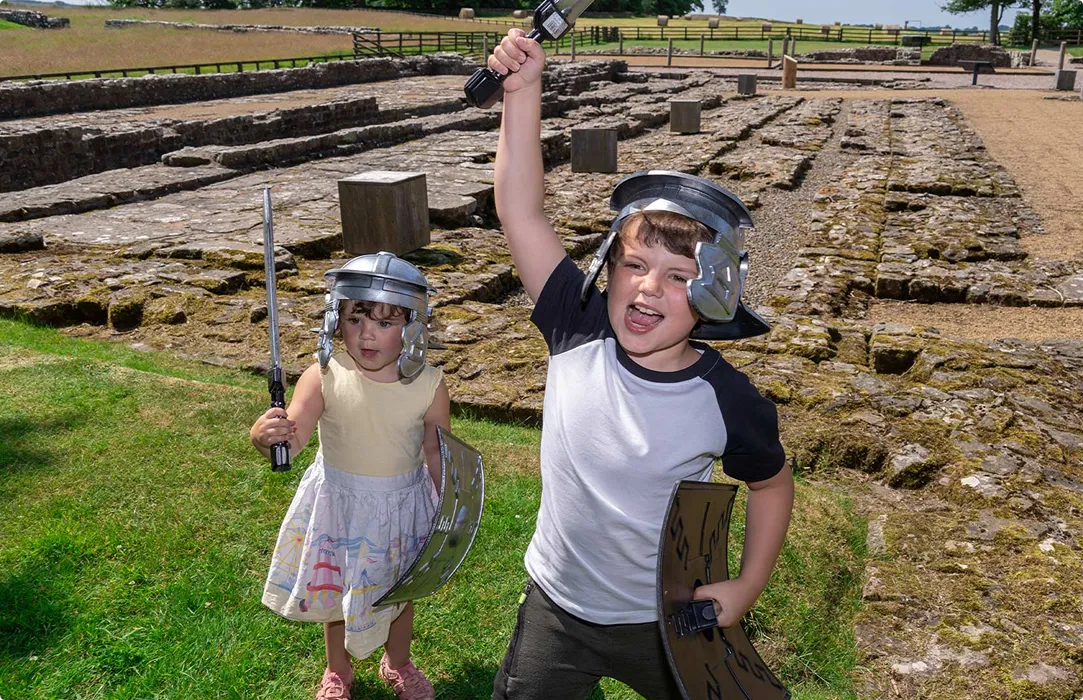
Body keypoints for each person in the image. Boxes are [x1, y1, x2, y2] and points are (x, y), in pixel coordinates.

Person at [486, 28, 796, 699]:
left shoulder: (726, 398)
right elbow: (518, 209)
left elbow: (771, 484)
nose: (648, 288)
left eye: (679, 275)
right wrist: (522, 90)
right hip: (557, 609)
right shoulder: (576, 324)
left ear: (715, 293)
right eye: (634, 265)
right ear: (609, 269)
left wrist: (745, 586)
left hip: (665, 619)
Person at [250, 252, 449, 700]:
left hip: (400, 505)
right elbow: (293, 438)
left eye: (385, 322)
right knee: (337, 589)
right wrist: (268, 438)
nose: (367, 334)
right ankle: (337, 669)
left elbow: (437, 452)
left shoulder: (430, 385)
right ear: (335, 319)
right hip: (339, 504)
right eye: (356, 318)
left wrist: (446, 509)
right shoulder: (324, 376)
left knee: (399, 591)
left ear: (413, 327)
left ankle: (397, 662)